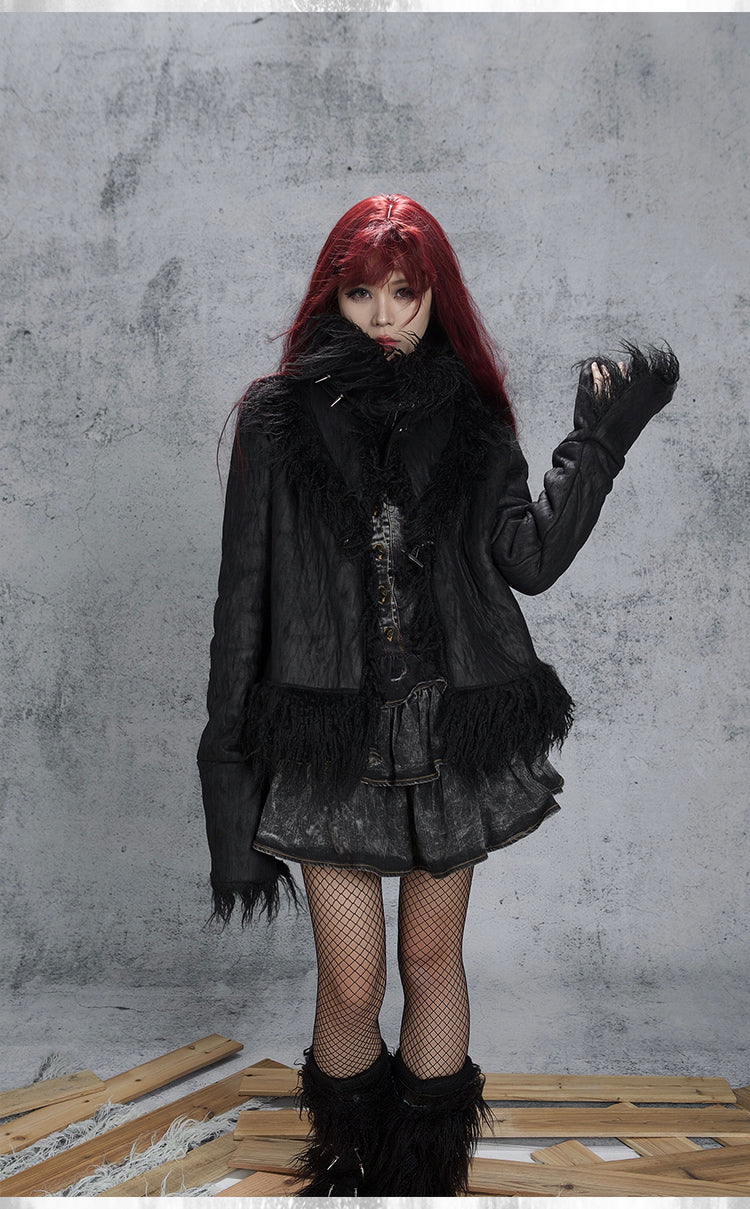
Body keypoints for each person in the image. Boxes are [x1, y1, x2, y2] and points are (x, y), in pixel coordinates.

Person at [197, 194, 679, 1196]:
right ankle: (350, 1167)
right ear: (332, 296)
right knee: (351, 981)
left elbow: (528, 560)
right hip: (329, 738)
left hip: (444, 737)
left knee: (429, 961)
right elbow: (242, 603)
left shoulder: (471, 415)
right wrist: (229, 780)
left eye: (404, 295)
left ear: (434, 297)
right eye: (361, 294)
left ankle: (422, 1176)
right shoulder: (278, 420)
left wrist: (595, 445)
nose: (384, 317)